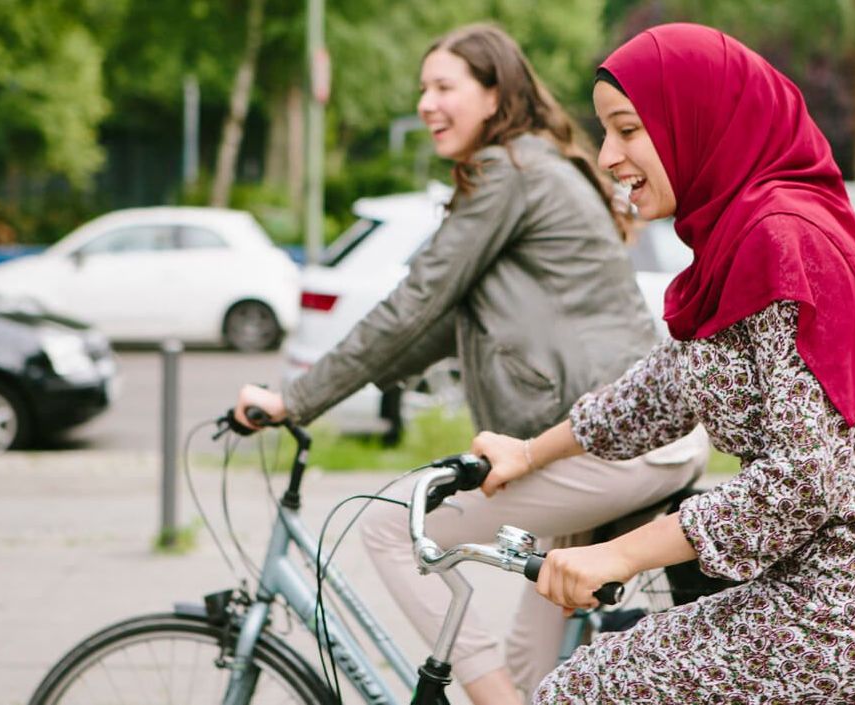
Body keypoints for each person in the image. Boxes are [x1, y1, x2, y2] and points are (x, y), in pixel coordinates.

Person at [471, 24, 855, 704]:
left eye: (627, 130)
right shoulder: (739, 240)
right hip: (851, 593)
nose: (608, 155)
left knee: (586, 685)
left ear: (697, 120)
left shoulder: (780, 241)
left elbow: (801, 480)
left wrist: (620, 552)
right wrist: (528, 452)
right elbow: (663, 389)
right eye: (605, 132)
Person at [234, 24, 708, 705]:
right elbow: (437, 327)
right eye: (422, 88)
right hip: (618, 438)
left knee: (389, 525)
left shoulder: (509, 172)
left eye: (444, 87)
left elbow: (413, 302)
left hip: (611, 443)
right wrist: (343, 386)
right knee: (527, 659)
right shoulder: (531, 165)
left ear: (493, 95)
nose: (427, 103)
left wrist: (297, 398)